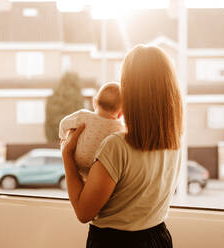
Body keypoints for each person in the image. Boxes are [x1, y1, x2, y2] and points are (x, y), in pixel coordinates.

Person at [60, 45, 183, 248]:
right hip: (158, 239)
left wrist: (67, 155)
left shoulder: (116, 146)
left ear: (131, 92)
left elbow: (84, 212)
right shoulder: (173, 141)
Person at [59, 82, 124, 180]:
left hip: (77, 161)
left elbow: (63, 123)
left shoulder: (83, 116)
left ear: (94, 102)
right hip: (98, 168)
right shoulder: (120, 128)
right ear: (120, 114)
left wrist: (63, 138)